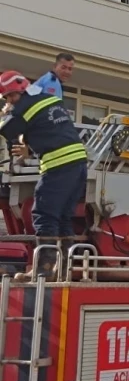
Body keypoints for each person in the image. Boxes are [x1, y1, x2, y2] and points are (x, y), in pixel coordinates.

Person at [0, 71, 87, 278]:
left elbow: (6, 130)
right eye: (6, 98)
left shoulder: (22, 108)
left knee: (43, 214)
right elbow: (47, 128)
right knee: (64, 217)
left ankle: (43, 270)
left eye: (11, 96)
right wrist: (29, 145)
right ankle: (62, 269)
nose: (10, 100)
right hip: (79, 164)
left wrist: (6, 112)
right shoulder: (49, 99)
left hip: (59, 165)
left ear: (21, 89)